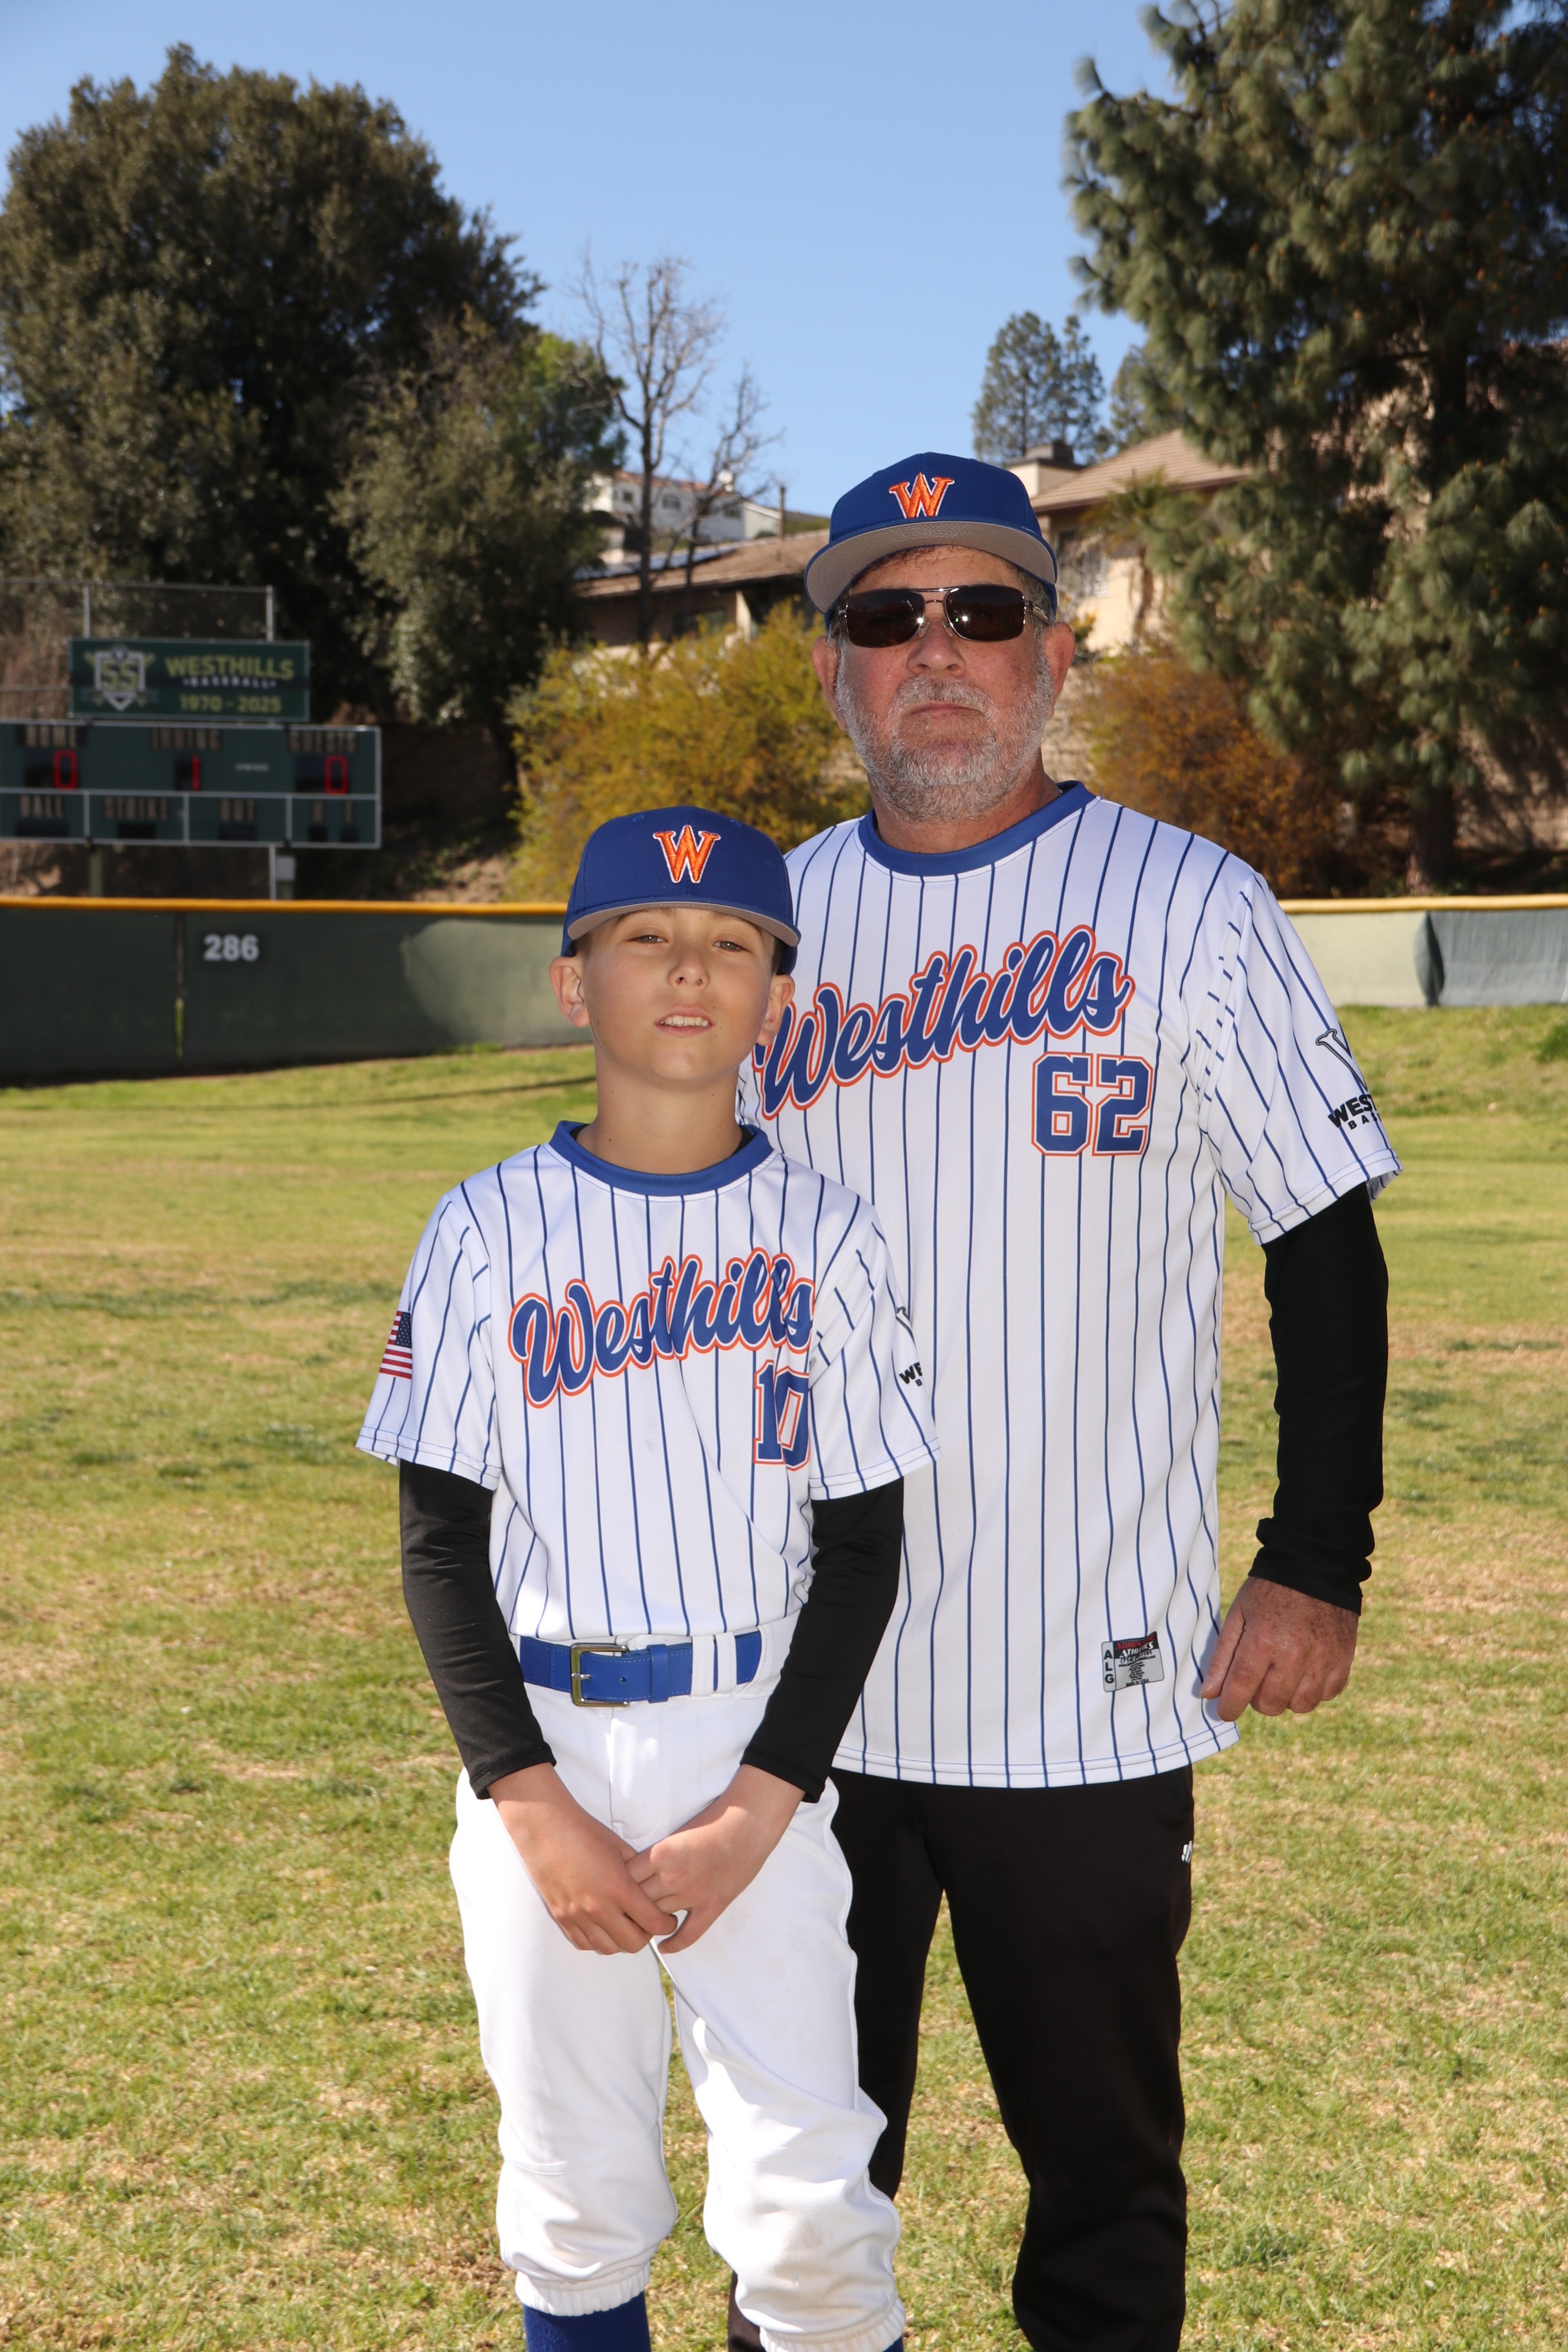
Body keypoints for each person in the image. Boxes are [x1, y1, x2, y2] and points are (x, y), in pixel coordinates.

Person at [733, 455, 1399, 2352]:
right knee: (794, 2192)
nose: (937, 653)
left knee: (1102, 2190)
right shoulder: (764, 929)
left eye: (985, 610)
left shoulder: (1190, 906)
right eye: (887, 616)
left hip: (1087, 1685)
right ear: (833, 670)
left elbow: (1323, 1241)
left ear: (1052, 653)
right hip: (801, 1695)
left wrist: (1316, 1556)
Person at [358, 806, 939, 2352]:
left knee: (814, 2217)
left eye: (733, 944)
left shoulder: (827, 1236)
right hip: (544, 1743)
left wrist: (759, 1805)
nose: (690, 969)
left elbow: (864, 1550)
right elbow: (438, 1545)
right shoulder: (484, 1229)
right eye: (647, 938)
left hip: (752, 1741)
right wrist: (528, 1803)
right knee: (573, 2200)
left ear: (777, 999)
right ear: (575, 983)